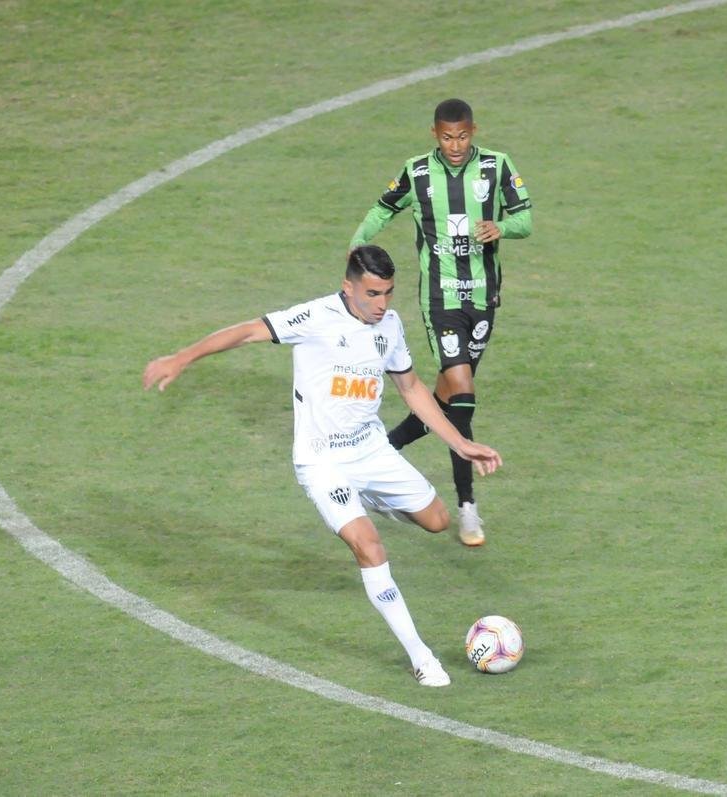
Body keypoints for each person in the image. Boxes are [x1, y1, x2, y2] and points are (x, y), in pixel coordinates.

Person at [143, 245, 502, 687]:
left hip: (371, 451)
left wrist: (460, 443)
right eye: (371, 293)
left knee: (437, 520)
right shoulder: (314, 318)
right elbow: (246, 332)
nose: (381, 303)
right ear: (348, 287)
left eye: (388, 293)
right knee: (369, 547)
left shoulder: (389, 326)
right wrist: (182, 357)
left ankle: (363, 498)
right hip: (322, 461)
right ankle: (422, 657)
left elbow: (410, 388)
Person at [349, 98, 532, 547]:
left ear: (474, 130)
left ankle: (376, 458)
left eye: (463, 135)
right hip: (441, 299)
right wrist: (356, 249)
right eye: (448, 136)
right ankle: (468, 507)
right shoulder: (417, 172)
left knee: (447, 400)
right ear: (434, 133)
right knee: (464, 392)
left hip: (484, 299)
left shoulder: (496, 166)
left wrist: (501, 229)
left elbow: (525, 218)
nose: (455, 145)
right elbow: (382, 209)